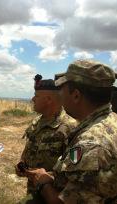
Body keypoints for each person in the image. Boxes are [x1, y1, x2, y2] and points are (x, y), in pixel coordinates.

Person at [24, 59, 117, 203]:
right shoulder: (110, 121)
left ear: (76, 95)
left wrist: (43, 182)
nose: (59, 95)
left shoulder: (91, 145)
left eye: (62, 89)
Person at [15, 75, 77, 203]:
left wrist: (45, 178)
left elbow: (74, 172)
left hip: (55, 196)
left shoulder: (70, 128)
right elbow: (29, 147)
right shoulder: (37, 121)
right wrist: (21, 163)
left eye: (36, 96)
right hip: (34, 191)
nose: (32, 99)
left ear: (48, 100)